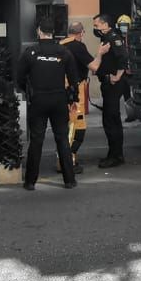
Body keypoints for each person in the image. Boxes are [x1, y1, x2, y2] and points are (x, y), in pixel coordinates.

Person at [16, 21, 81, 190]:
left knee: (36, 140)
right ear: (53, 33)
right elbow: (74, 79)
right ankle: (69, 180)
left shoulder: (30, 52)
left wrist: (28, 91)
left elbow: (19, 77)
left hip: (38, 99)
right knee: (62, 139)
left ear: (39, 31)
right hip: (59, 99)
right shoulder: (64, 52)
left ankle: (30, 181)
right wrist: (73, 98)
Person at [94, 14, 129, 168]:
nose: (95, 28)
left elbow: (123, 57)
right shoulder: (106, 37)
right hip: (108, 83)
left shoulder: (113, 37)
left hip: (113, 84)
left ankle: (116, 156)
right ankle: (113, 153)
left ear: (105, 24)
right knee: (110, 120)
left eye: (97, 25)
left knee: (111, 120)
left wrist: (117, 76)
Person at [61, 20, 94, 172]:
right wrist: (100, 54)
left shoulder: (59, 45)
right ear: (81, 33)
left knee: (66, 125)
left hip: (60, 90)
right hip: (75, 91)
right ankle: (68, 161)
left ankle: (64, 159)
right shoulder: (78, 46)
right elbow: (93, 66)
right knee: (77, 126)